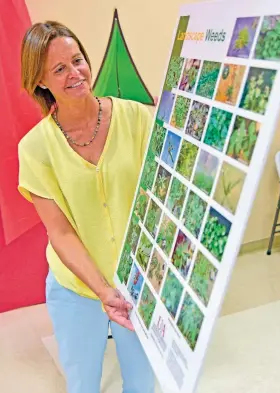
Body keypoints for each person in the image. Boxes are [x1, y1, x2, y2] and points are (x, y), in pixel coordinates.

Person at [18, 21, 155, 393]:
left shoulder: (138, 118)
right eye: (59, 69)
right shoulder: (34, 148)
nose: (75, 73)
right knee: (83, 384)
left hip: (137, 283)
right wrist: (103, 291)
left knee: (143, 383)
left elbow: (160, 198)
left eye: (77, 60)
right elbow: (59, 231)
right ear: (41, 82)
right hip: (75, 289)